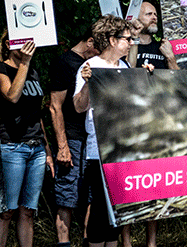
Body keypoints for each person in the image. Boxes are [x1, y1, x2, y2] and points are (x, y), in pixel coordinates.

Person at [74, 15, 139, 247]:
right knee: (101, 207)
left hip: (123, 144)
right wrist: (88, 85)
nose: (131, 43)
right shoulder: (90, 66)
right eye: (127, 39)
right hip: (100, 148)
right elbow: (79, 107)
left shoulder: (125, 66)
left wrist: (147, 76)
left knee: (117, 207)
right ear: (112, 40)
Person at [122, 2, 179, 247]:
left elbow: (178, 82)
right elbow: (126, 73)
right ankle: (126, 242)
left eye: (156, 13)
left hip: (158, 123)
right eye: (149, 13)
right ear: (136, 18)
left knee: (154, 185)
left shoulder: (162, 46)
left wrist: (171, 58)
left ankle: (152, 243)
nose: (155, 16)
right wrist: (132, 41)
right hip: (130, 123)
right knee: (128, 186)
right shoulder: (126, 46)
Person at [0, 32, 55, 247]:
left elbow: (37, 114)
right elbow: (12, 96)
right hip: (12, 147)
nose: (26, 45)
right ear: (7, 43)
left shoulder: (33, 71)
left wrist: (48, 151)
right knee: (6, 211)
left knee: (28, 211)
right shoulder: (2, 69)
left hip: (36, 148)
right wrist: (24, 62)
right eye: (19, 40)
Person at [50, 28, 99, 247]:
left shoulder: (96, 64)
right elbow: (55, 107)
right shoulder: (65, 63)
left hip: (92, 139)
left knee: (91, 197)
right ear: (89, 42)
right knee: (67, 196)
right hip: (72, 138)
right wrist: (62, 146)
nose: (101, 54)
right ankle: (64, 243)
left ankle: (89, 242)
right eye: (99, 48)